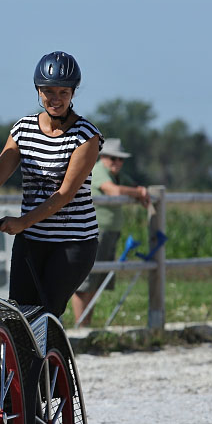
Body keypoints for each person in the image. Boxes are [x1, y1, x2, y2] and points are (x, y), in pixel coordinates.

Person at [0, 51, 102, 318]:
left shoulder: (86, 136)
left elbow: (64, 195)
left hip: (73, 241)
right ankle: (29, 360)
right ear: (38, 91)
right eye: (48, 91)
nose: (55, 98)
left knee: (46, 312)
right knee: (19, 312)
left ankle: (50, 358)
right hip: (32, 239)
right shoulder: (23, 129)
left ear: (73, 93)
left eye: (63, 92)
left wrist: (22, 223)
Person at [71, 138, 150, 325]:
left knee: (97, 281)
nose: (117, 162)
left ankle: (86, 325)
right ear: (103, 157)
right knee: (85, 281)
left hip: (109, 232)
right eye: (113, 158)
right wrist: (138, 193)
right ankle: (81, 325)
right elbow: (113, 191)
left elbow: (132, 188)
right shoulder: (98, 171)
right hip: (93, 231)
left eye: (120, 159)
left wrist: (139, 192)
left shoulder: (118, 175)